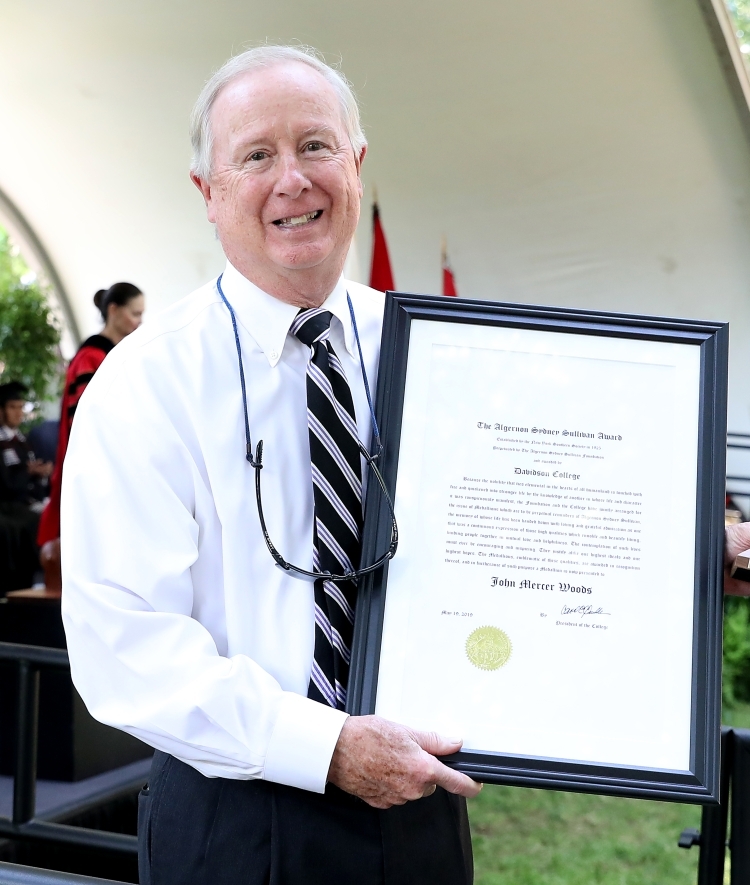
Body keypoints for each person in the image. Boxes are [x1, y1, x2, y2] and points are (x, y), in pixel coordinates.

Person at [61, 46, 480, 885]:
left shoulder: (435, 352)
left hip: (421, 811)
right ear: (207, 193)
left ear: (356, 166)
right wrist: (326, 747)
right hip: (242, 815)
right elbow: (126, 646)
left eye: (317, 146)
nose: (293, 179)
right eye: (256, 155)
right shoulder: (145, 383)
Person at [37, 282, 144, 588]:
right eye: (135, 313)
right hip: (92, 465)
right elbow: (86, 426)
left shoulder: (119, 354)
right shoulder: (90, 357)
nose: (139, 322)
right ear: (114, 311)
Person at [0, 381, 53, 593]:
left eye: (21, 407)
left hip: (27, 503)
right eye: (13, 407)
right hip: (7, 506)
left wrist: (41, 475)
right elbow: (6, 484)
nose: (18, 412)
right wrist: (28, 472)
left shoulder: (22, 441)